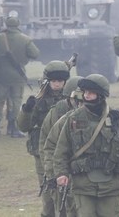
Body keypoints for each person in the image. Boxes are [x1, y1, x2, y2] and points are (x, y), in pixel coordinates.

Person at [54, 74, 119, 217]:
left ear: (101, 95)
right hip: (83, 183)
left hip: (111, 182)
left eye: (91, 92)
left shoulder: (115, 118)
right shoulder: (73, 119)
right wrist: (61, 173)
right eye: (85, 92)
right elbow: (62, 149)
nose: (87, 96)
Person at [17, 60, 70, 217]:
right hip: (43, 153)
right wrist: (27, 110)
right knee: (48, 196)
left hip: (67, 150)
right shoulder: (38, 100)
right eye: (54, 81)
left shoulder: (72, 98)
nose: (57, 84)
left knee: (67, 194)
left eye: (60, 81)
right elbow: (23, 127)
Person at [0, 16, 40, 138]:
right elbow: (35, 53)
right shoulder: (25, 39)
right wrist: (23, 58)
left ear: (6, 24)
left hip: (1, 75)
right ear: (18, 25)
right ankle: (13, 128)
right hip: (18, 76)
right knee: (16, 101)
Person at [38, 75, 83, 217]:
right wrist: (52, 173)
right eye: (77, 100)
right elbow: (47, 145)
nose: (80, 104)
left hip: (81, 171)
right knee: (58, 207)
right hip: (60, 167)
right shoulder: (57, 112)